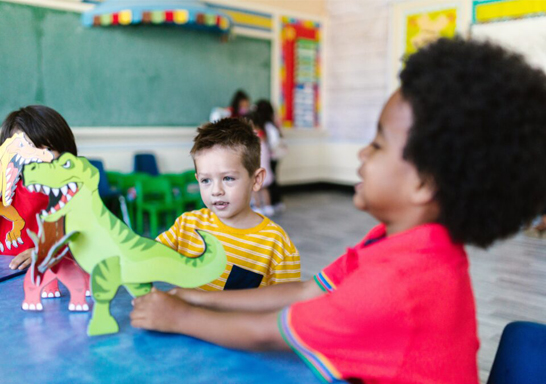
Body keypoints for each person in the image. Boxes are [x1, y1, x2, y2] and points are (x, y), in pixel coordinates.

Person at [131, 38, 546, 383]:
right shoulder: (401, 244)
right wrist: (194, 296)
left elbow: (272, 334)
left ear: (423, 182)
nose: (363, 154)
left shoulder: (398, 284)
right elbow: (305, 291)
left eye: (378, 145)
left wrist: (180, 316)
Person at [155, 117, 300, 290]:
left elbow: (287, 305)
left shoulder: (276, 244)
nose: (216, 190)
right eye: (206, 180)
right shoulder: (186, 226)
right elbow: (148, 258)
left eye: (228, 178)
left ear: (256, 179)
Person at [3, 105, 78, 296]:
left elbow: (85, 239)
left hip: (52, 281)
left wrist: (51, 251)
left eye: (50, 148)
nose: (39, 157)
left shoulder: (72, 192)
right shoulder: (5, 191)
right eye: (28, 148)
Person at [255, 100, 287, 211]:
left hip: (270, 157)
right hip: (271, 156)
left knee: (269, 182)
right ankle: (273, 203)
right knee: (271, 180)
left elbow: (273, 141)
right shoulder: (270, 123)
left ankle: (273, 202)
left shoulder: (266, 125)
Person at [245, 110, 275, 216]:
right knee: (264, 188)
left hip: (257, 164)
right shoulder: (263, 132)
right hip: (265, 165)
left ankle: (257, 207)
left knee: (255, 188)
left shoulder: (252, 134)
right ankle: (268, 206)